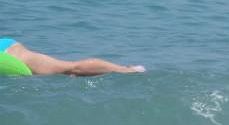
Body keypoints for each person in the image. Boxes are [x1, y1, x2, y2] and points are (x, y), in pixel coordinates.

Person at [0, 37, 144, 76]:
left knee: (71, 68)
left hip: (9, 54)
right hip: (6, 46)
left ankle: (124, 70)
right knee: (68, 71)